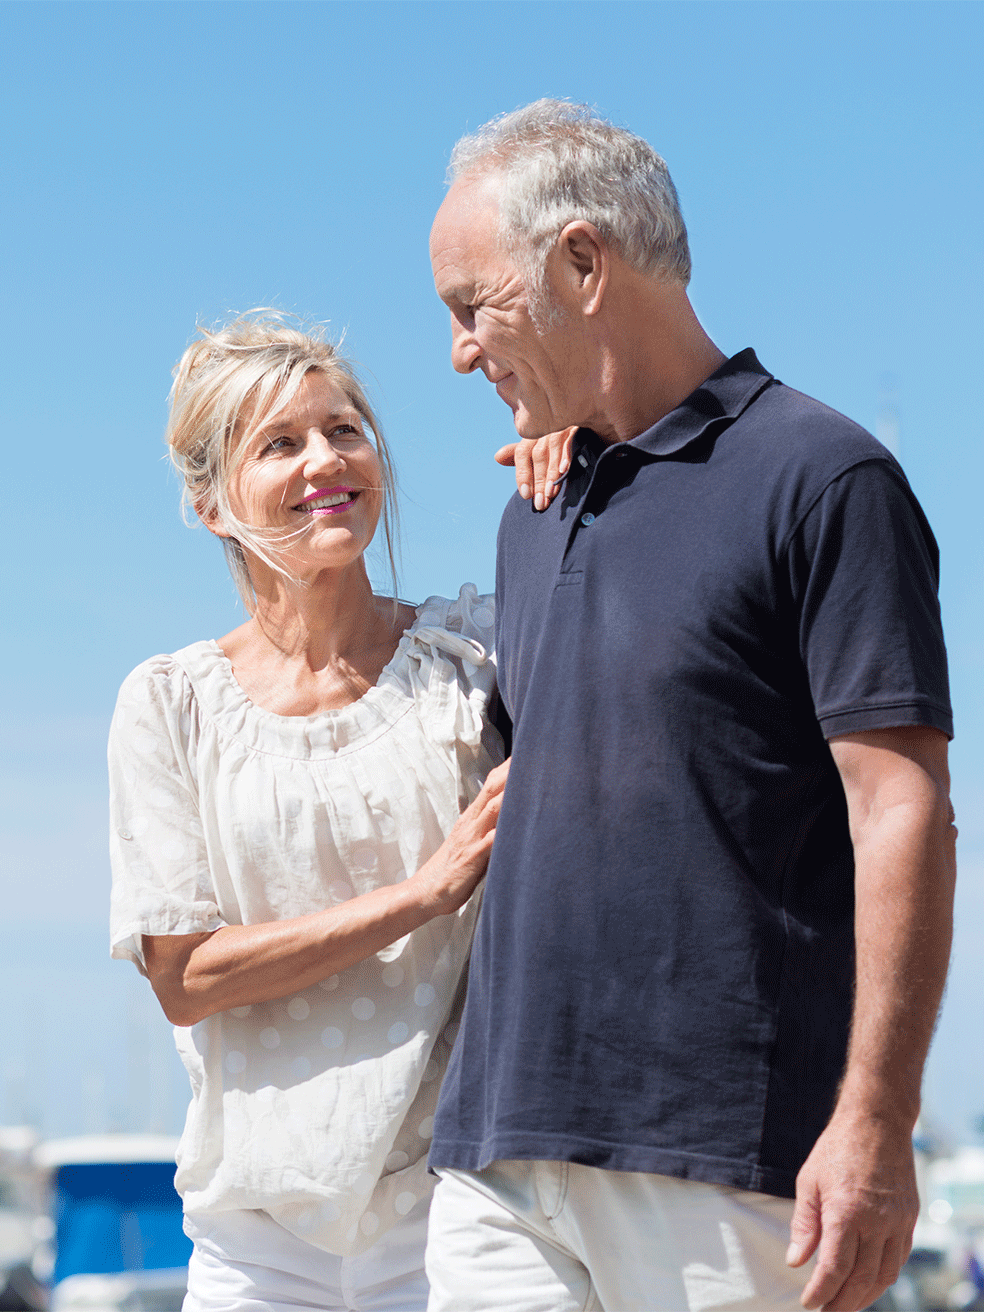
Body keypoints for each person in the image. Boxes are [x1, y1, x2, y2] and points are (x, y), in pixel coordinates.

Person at [423, 100, 956, 1312]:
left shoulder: (825, 478)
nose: (457, 349)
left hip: (729, 1162)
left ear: (580, 262)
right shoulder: (533, 506)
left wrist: (876, 1118)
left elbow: (900, 810)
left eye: (470, 304)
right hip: (500, 1151)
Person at [107, 312, 568, 1311]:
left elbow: (622, 634)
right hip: (259, 1240)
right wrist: (423, 894)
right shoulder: (171, 704)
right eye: (280, 444)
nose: (327, 459)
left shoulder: (473, 657)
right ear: (207, 504)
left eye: (345, 428)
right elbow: (184, 974)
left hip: (465, 1210)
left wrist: (579, 469)